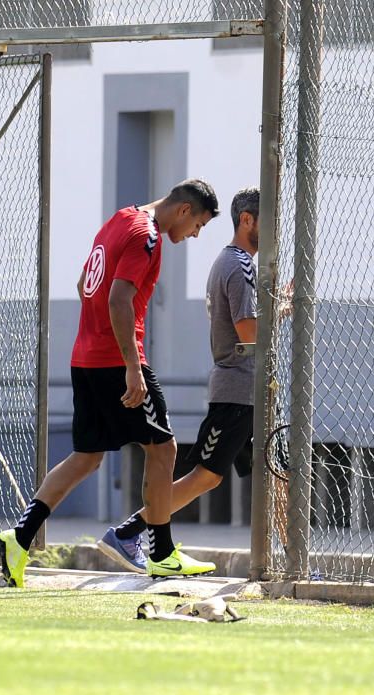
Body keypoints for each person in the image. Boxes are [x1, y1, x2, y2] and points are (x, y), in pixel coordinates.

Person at [0, 179, 220, 587]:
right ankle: (162, 553)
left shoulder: (119, 219)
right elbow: (119, 299)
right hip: (117, 360)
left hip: (85, 357)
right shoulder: (147, 236)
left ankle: (20, 536)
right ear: (185, 210)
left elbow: (84, 285)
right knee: (164, 447)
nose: (195, 235)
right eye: (199, 225)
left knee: (87, 456)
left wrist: (99, 333)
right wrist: (132, 367)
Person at [97, 187, 261, 574]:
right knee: (204, 476)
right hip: (237, 389)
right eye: (268, 220)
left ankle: (292, 556)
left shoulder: (231, 261)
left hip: (251, 388)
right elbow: (249, 333)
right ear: (247, 220)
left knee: (276, 472)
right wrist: (281, 312)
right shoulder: (238, 266)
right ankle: (130, 531)